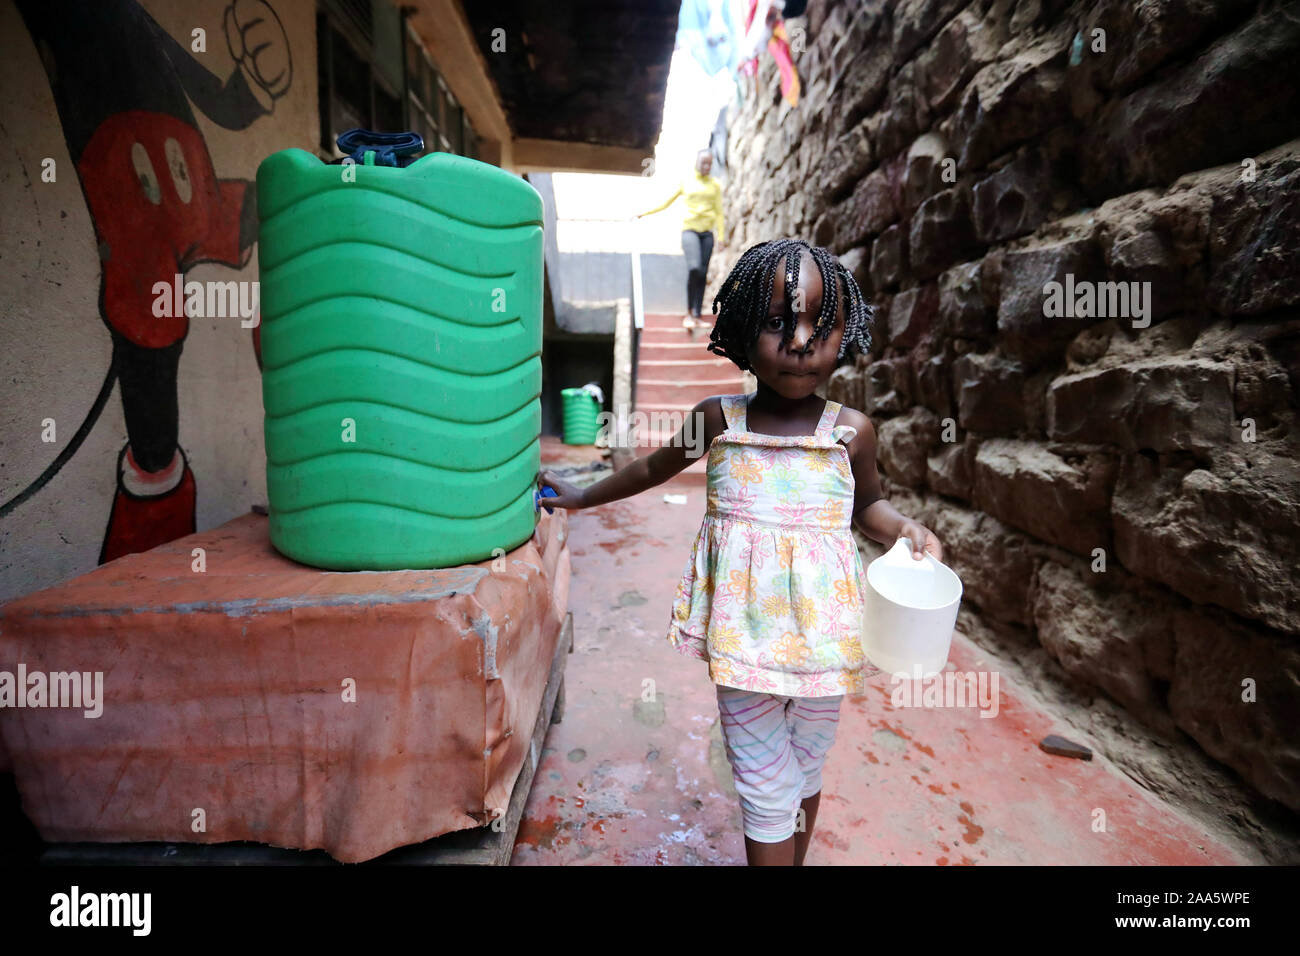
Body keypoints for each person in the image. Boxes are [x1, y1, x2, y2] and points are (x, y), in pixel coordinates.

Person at [537, 237, 944, 866]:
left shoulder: (850, 431)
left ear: (846, 332)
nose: (800, 340)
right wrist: (583, 495)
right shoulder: (719, 420)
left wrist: (905, 531)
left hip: (825, 643)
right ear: (742, 329)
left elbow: (867, 509)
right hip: (744, 642)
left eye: (820, 324)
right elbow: (650, 469)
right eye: (778, 323)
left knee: (804, 773)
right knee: (761, 785)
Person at [636, 150, 725, 333]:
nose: (706, 167)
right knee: (694, 268)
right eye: (703, 163)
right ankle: (689, 313)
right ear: (697, 162)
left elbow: (719, 213)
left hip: (707, 234)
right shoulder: (687, 181)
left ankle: (697, 316)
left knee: (703, 274)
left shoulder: (715, 185)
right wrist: (644, 212)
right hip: (690, 231)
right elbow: (666, 201)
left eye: (710, 164)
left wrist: (721, 237)